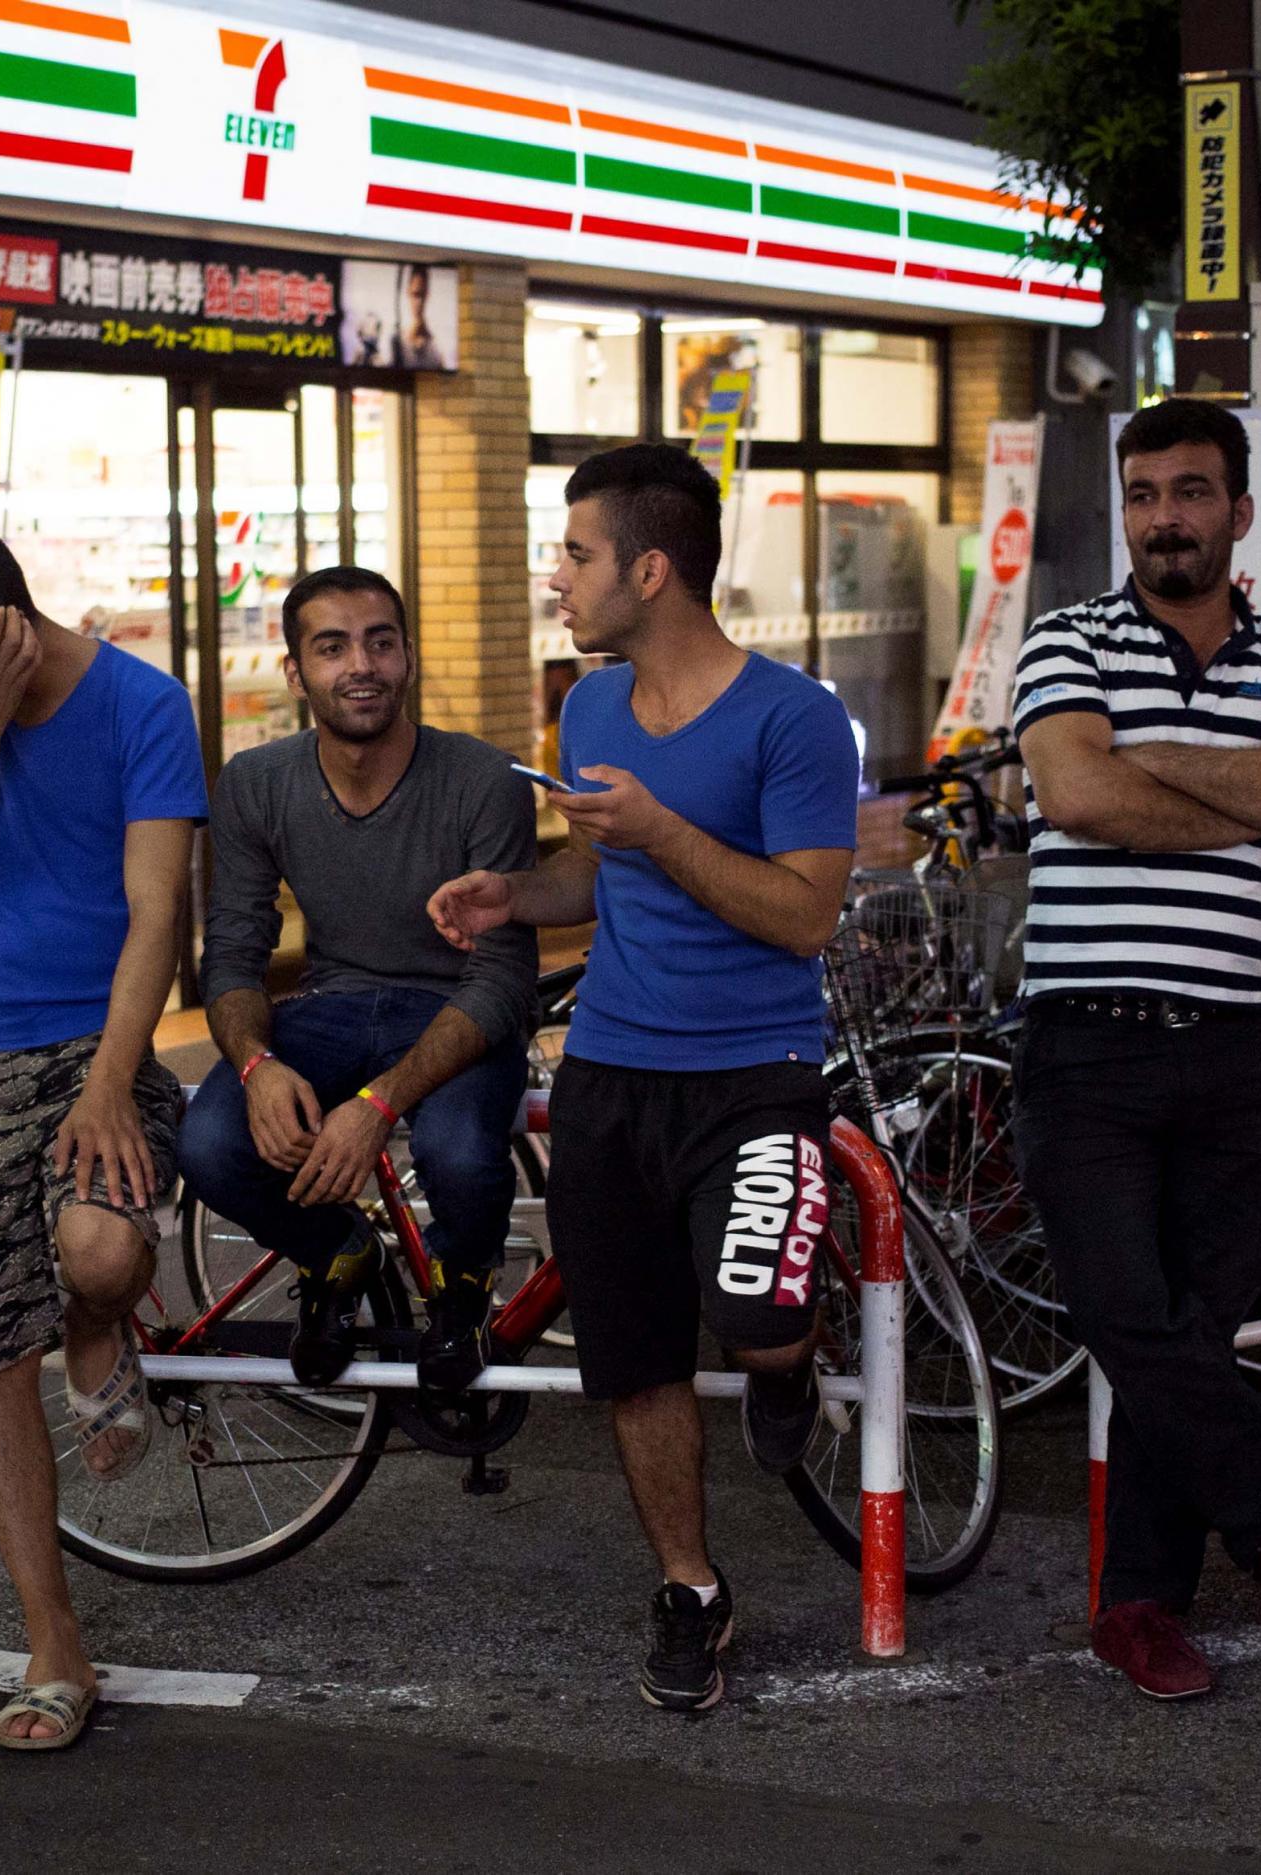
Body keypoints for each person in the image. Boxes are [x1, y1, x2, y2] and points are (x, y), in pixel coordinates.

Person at [426, 442, 857, 1714]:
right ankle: (690, 1587)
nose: (554, 577)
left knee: (758, 1314)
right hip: (611, 1072)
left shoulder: (794, 718)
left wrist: (665, 831)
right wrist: (519, 896)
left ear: (650, 569)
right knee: (631, 1358)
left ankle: (789, 1370)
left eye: (574, 553)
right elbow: (595, 878)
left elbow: (804, 919)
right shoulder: (592, 708)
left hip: (757, 1075)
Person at [1012, 397, 1261, 1701]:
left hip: (1239, 1044)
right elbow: (1075, 791)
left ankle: (1144, 1603)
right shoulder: (1065, 636)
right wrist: (1234, 777)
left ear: (1240, 510)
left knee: (1197, 1326)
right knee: (1122, 1308)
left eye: (1191, 491)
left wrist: (1146, 754)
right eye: (1144, 492)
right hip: (1088, 1040)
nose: (1165, 515)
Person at [0, 515, 206, 1752]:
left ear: (5, 627)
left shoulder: (140, 704)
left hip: (99, 1039)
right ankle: (55, 1643)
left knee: (106, 1253)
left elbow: (153, 911)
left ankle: (101, 1328)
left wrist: (115, 1084)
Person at [178, 565, 538, 1392]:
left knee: (456, 1149)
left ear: (408, 657)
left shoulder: (484, 779)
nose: (360, 665)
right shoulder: (257, 783)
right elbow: (232, 954)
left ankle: (465, 1286)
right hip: (332, 1005)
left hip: (457, 1010)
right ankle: (338, 1251)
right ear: (296, 671)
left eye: (380, 642)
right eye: (332, 647)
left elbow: (501, 979)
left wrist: (380, 1104)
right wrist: (256, 1066)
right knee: (209, 1140)